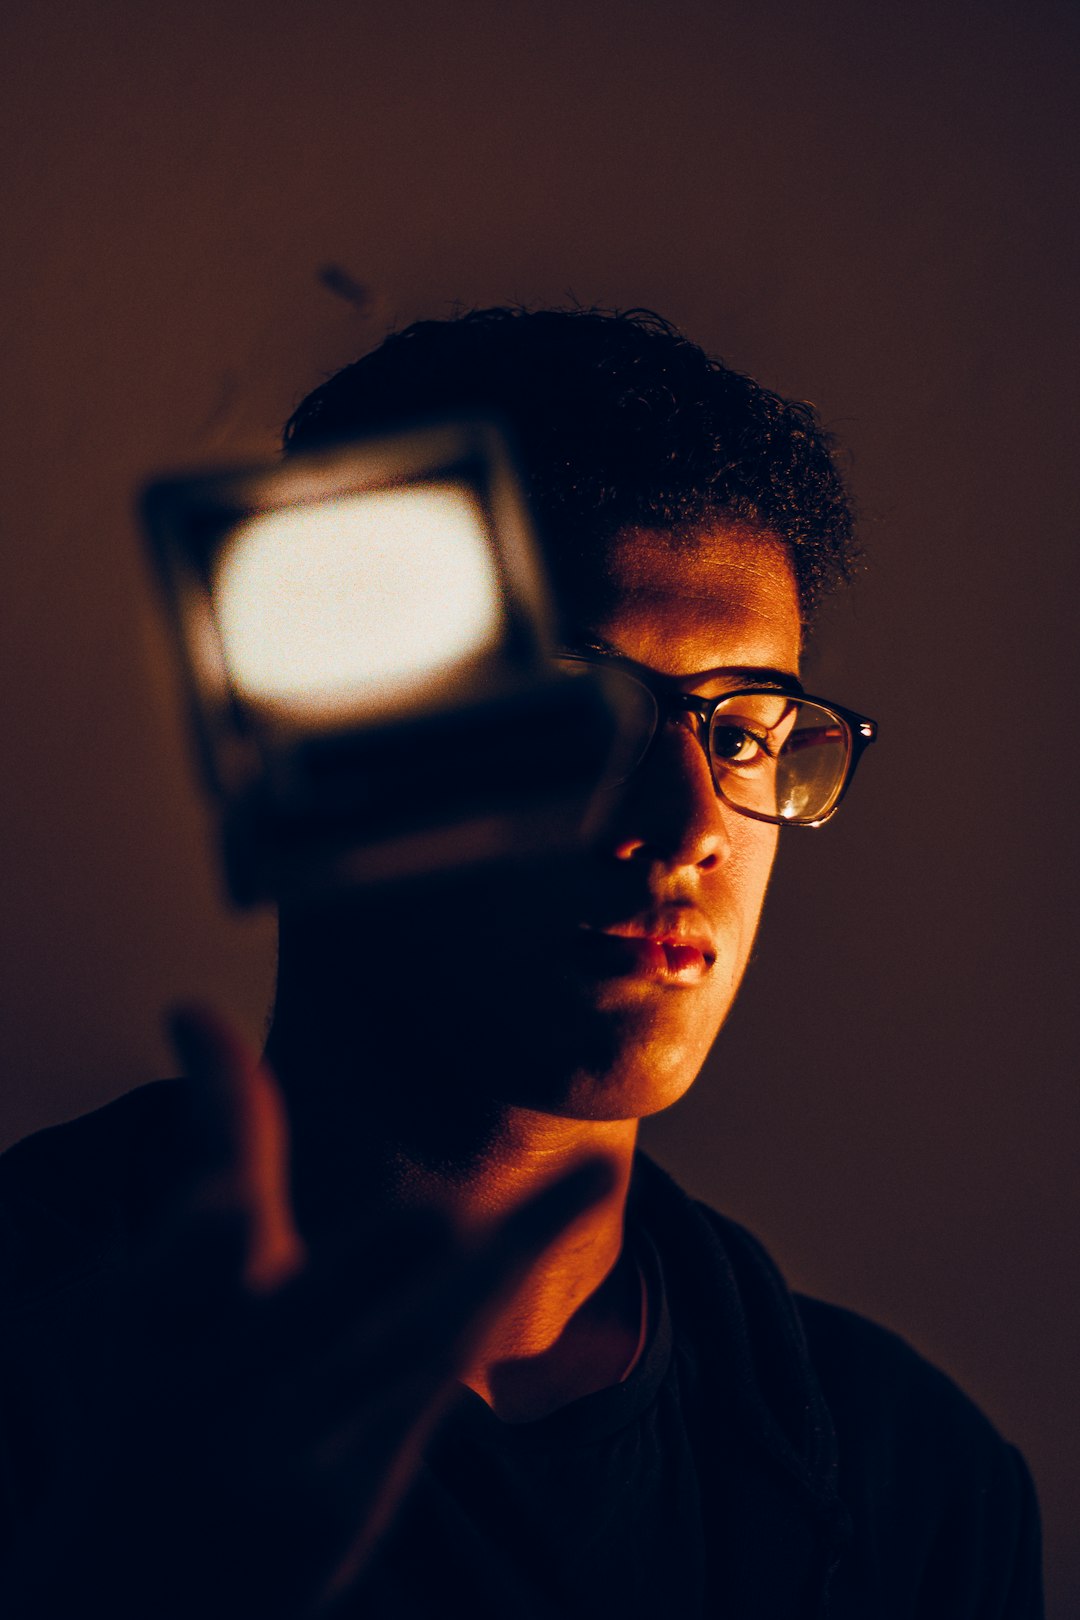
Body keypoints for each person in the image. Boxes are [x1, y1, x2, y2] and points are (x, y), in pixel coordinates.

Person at [0, 307, 1042, 1617]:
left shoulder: (918, 1484)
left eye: (750, 735)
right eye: (575, 711)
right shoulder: (40, 1360)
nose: (688, 830)